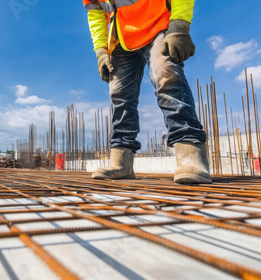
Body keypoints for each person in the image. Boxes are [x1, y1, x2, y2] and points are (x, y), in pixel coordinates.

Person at [82, 0, 211, 183]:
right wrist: (101, 51)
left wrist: (179, 26)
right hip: (122, 37)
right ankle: (121, 162)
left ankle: (191, 155)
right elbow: (96, 16)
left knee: (166, 76)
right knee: (119, 95)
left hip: (158, 25)